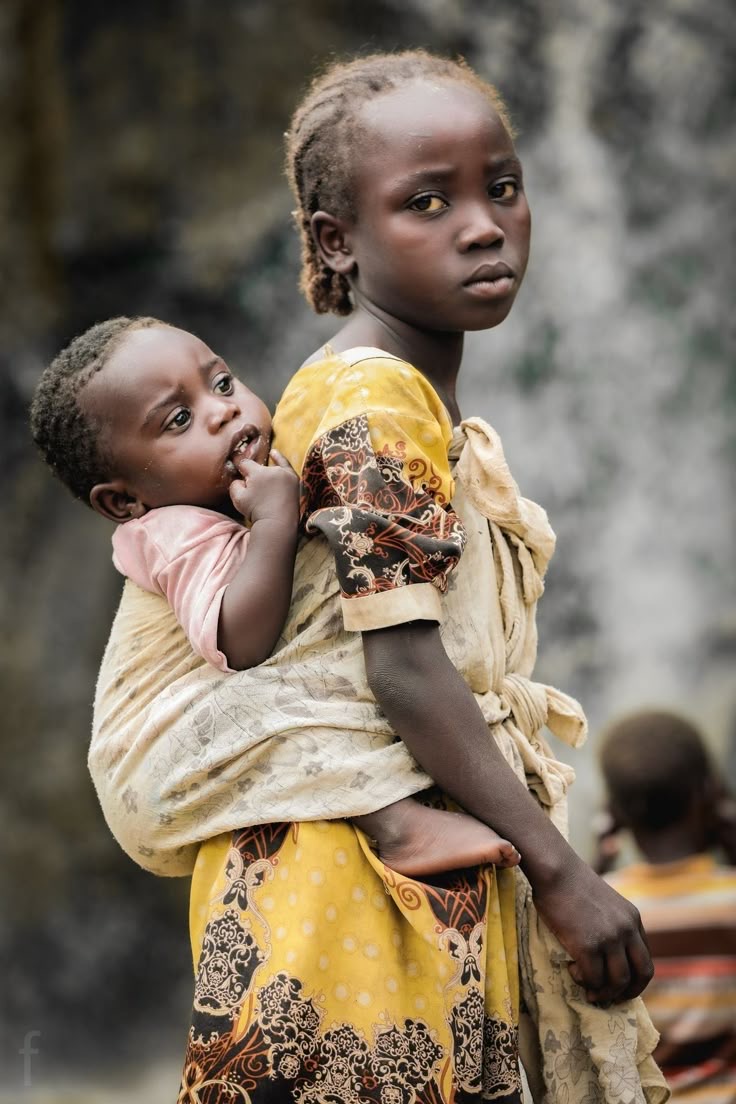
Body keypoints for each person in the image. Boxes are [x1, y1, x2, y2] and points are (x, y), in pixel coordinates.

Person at [54, 51, 669, 1102]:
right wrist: (559, 872)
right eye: (427, 202)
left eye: (502, 188)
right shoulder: (369, 404)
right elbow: (403, 668)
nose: (482, 225)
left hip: (360, 883)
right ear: (338, 240)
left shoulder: (388, 399)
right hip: (338, 899)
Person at [30, 315, 520, 877]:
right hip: (153, 765)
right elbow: (243, 643)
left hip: (189, 755)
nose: (223, 410)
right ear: (123, 503)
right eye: (181, 419)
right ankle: (399, 827)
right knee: (273, 708)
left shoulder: (236, 487)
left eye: (221, 383)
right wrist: (275, 519)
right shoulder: (170, 534)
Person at [596, 710, 736, 1102]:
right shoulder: (730, 901)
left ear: (614, 813)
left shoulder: (605, 916)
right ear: (708, 791)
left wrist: (595, 867)